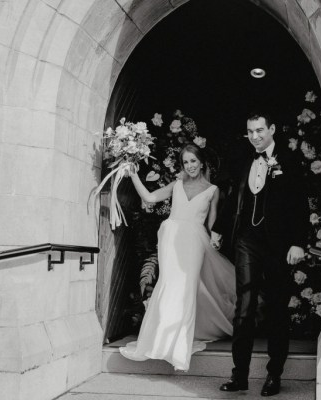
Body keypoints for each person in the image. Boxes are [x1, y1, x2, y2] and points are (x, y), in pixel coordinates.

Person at [211, 111, 309, 397]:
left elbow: (299, 205)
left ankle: (273, 375)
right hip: (247, 241)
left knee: (277, 307)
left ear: (272, 129)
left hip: (278, 244)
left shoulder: (289, 162)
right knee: (244, 306)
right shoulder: (244, 160)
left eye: (260, 130)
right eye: (250, 131)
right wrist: (218, 229)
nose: (255, 136)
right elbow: (232, 199)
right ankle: (239, 375)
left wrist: (298, 242)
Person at [119, 143, 236, 372]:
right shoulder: (177, 184)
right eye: (186, 162)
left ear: (201, 162)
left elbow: (211, 223)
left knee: (186, 288)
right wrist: (133, 176)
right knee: (169, 285)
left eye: (194, 161)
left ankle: (179, 346)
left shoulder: (212, 190)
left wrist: (215, 238)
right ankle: (159, 341)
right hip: (171, 239)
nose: (190, 166)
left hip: (195, 241)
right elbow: (150, 198)